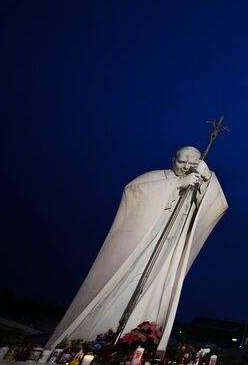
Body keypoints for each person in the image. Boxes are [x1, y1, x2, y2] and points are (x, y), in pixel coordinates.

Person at [48, 147, 228, 354]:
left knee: (153, 289)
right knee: (120, 285)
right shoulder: (154, 179)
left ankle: (129, 342)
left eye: (192, 164)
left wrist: (206, 178)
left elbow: (216, 204)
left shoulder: (197, 181)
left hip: (167, 248)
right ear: (173, 160)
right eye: (182, 162)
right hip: (142, 244)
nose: (187, 167)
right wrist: (176, 185)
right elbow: (133, 191)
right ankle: (87, 340)